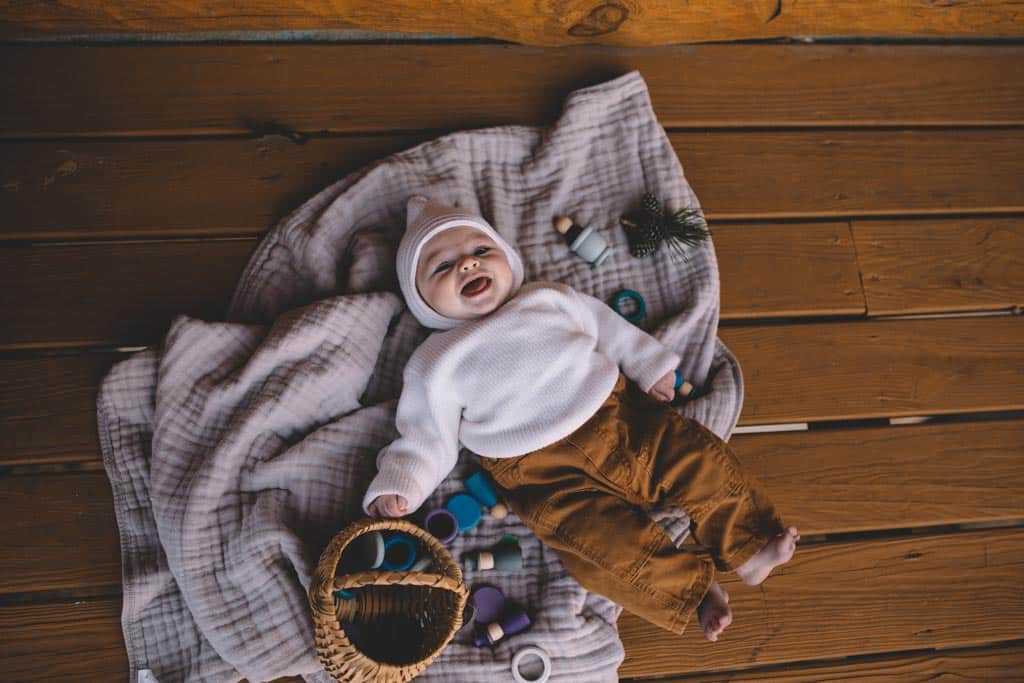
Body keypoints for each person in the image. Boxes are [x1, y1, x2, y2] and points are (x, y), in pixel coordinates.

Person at [363, 195, 799, 641]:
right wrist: (404, 482)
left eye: (481, 251)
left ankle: (749, 546)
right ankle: (693, 588)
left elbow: (608, 328)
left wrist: (649, 365)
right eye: (442, 267)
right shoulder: (436, 360)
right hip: (544, 476)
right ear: (421, 302)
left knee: (696, 458)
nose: (468, 266)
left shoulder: (546, 298)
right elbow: (425, 432)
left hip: (623, 422)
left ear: (509, 260)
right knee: (597, 548)